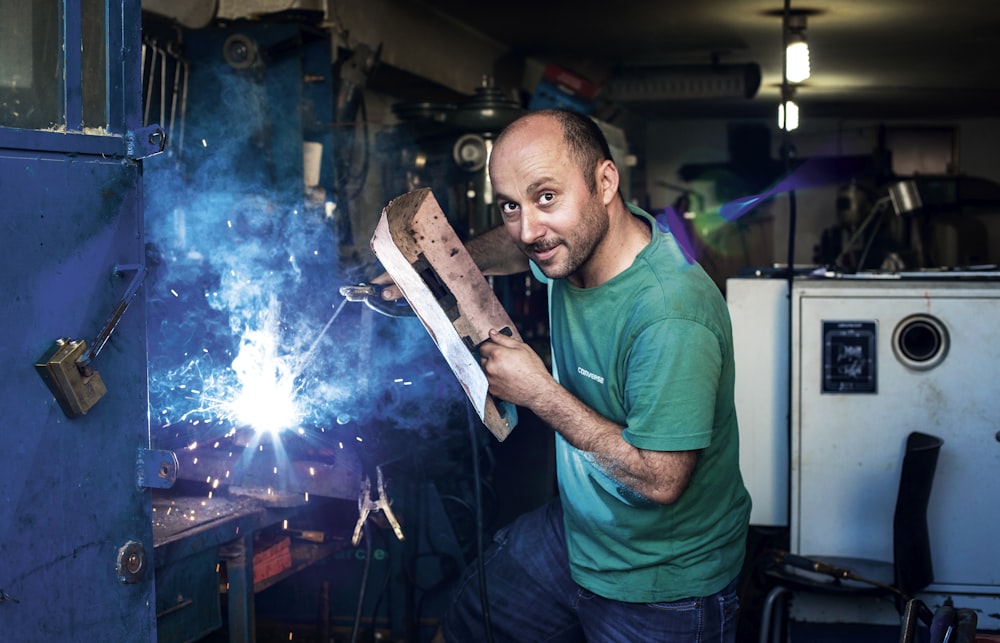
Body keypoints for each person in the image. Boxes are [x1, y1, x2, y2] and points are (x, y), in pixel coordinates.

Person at [376, 108, 751, 642]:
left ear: (604, 182)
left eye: (545, 196)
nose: (529, 229)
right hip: (577, 530)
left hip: (663, 577)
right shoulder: (575, 242)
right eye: (511, 204)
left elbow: (662, 480)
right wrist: (437, 263)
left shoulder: (671, 315)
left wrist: (538, 393)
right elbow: (516, 244)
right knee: (469, 623)